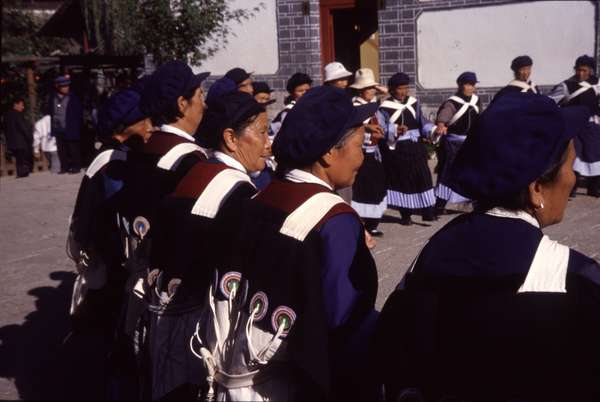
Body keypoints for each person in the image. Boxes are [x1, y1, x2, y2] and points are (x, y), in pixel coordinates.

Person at [375, 93, 599, 402]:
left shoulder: (430, 257)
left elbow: (391, 357)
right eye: (570, 166)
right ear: (536, 189)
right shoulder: (576, 281)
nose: (573, 179)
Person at [196, 85, 379, 401]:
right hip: (289, 385)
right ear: (328, 152)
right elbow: (344, 321)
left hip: (235, 377)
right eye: (358, 146)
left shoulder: (260, 197)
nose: (362, 157)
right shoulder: (333, 219)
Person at [148, 90, 269, 400]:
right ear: (231, 138)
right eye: (263, 132)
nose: (269, 144)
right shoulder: (239, 194)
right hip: (201, 335)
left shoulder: (197, 173)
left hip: (165, 321)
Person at [115, 61, 210, 398]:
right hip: (177, 297)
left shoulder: (144, 150)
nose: (205, 103)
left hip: (141, 284)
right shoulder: (189, 160)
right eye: (199, 94)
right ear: (182, 104)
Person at [65, 82, 152, 399]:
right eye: (145, 120)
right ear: (126, 127)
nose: (151, 127)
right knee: (119, 351)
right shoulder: (114, 163)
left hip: (111, 270)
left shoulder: (108, 158)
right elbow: (114, 223)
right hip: (115, 273)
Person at [378, 72, 438, 225]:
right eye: (400, 88)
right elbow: (381, 127)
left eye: (406, 88)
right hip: (398, 150)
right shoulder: (385, 107)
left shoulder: (413, 103)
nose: (404, 92)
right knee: (403, 180)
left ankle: (427, 211)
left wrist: (432, 130)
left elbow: (422, 121)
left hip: (416, 146)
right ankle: (406, 215)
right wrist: (395, 130)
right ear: (392, 89)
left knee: (423, 177)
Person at [548, 54, 600, 197]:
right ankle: (572, 187)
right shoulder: (566, 85)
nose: (580, 73)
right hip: (573, 124)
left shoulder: (597, 83)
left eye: (584, 70)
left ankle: (594, 187)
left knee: (594, 155)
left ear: (590, 71)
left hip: (591, 125)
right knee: (573, 156)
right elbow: (551, 100)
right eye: (578, 70)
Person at [434, 71, 482, 214]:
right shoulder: (452, 102)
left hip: (470, 143)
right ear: (461, 85)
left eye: (472, 85)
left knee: (471, 173)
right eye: (467, 84)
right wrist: (441, 124)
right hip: (453, 143)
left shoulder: (476, 101)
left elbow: (480, 118)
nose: (470, 87)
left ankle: (475, 204)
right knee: (448, 173)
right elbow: (443, 118)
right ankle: (439, 205)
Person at [349, 68, 387, 236]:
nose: (371, 91)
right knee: (362, 188)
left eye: (372, 88)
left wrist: (382, 132)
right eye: (368, 88)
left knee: (375, 187)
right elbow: (349, 126)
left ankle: (373, 223)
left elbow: (386, 94)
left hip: (374, 152)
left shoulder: (373, 106)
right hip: (360, 152)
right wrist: (366, 128)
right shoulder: (354, 106)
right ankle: (362, 223)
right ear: (360, 90)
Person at [48, 75, 83, 174]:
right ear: (57, 87)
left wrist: (77, 125)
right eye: (63, 86)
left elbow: (78, 113)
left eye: (67, 86)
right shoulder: (53, 97)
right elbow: (51, 111)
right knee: (61, 149)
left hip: (70, 127)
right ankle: (64, 167)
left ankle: (76, 167)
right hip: (58, 127)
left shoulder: (73, 97)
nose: (66, 88)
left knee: (73, 149)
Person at [269, 72, 312, 139]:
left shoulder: (314, 108)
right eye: (300, 91)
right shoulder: (288, 112)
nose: (304, 93)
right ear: (293, 93)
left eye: (307, 90)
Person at [3, 98, 32, 178]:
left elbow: (5, 129)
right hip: (21, 141)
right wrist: (29, 137)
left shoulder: (7, 115)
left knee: (18, 158)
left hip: (12, 141)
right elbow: (23, 127)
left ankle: (20, 172)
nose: (23, 107)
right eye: (22, 105)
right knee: (22, 158)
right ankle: (23, 172)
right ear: (15, 105)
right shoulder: (18, 114)